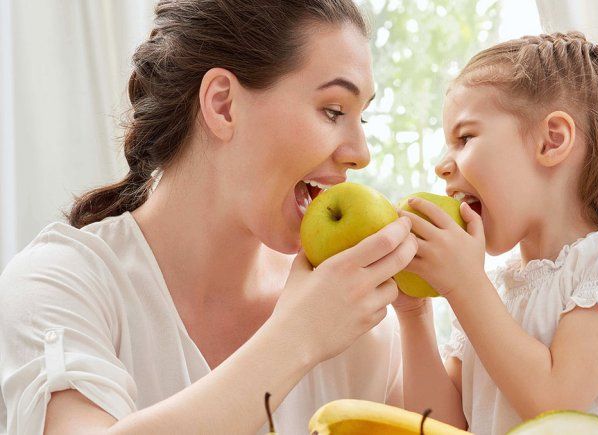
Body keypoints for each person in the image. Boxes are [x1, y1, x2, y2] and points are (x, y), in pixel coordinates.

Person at [0, 1, 419, 433]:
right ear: (223, 105)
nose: (361, 153)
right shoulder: (60, 283)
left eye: (361, 116)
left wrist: (419, 312)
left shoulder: (355, 323)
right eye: (333, 111)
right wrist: (298, 337)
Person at [393, 32, 598, 435]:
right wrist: (413, 313)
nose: (442, 166)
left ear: (552, 140)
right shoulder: (494, 292)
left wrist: (465, 286)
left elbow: (554, 407)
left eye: (465, 138)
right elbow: (437, 425)